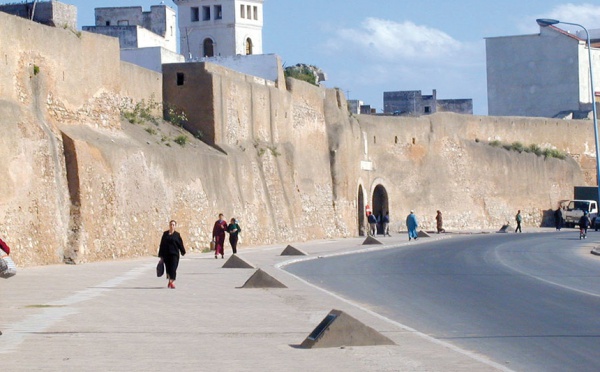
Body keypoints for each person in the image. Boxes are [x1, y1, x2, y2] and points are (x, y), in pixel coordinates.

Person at [158, 220, 186, 289]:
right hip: (166, 255)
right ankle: (170, 281)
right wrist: (161, 256)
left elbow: (180, 244)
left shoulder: (177, 235)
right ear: (169, 225)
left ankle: (172, 282)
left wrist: (183, 251)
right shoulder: (165, 234)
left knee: (173, 268)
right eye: (171, 224)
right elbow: (162, 245)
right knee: (168, 269)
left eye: (173, 225)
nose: (172, 226)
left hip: (174, 255)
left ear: (175, 226)